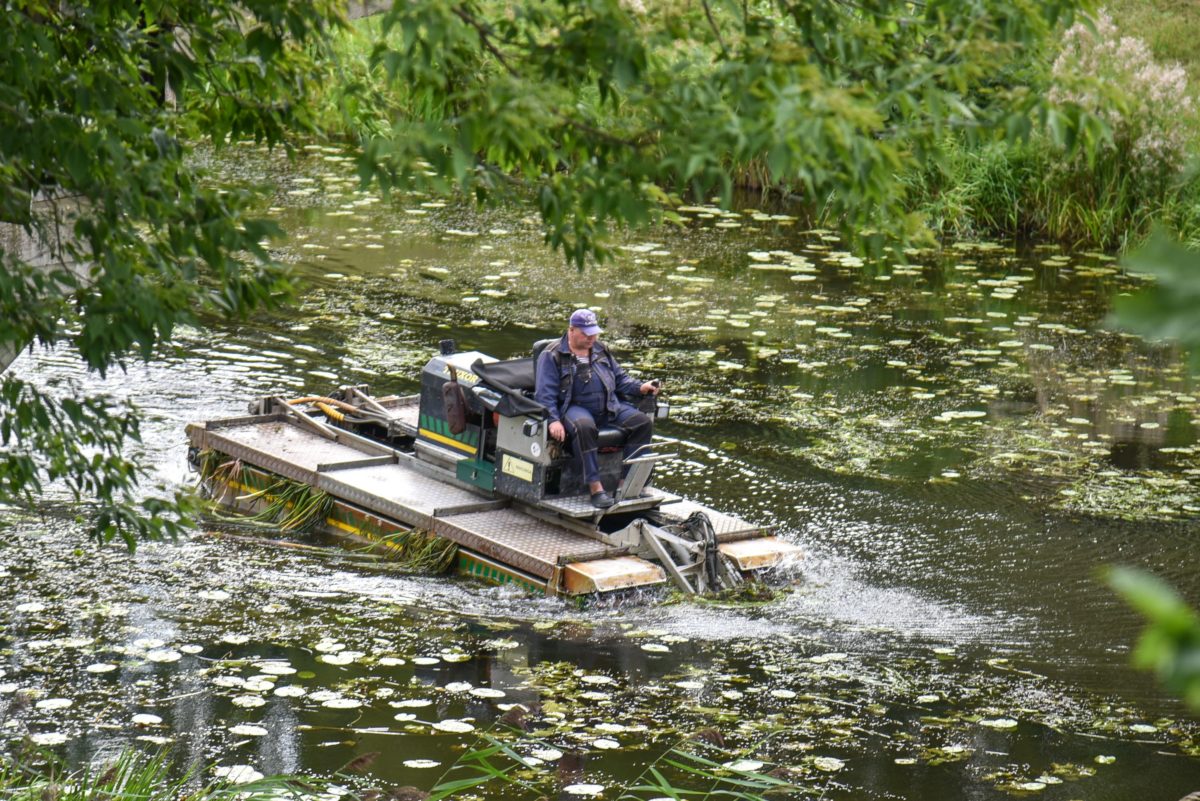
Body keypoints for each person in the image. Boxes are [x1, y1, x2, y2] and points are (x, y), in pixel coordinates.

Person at [534, 309, 659, 508]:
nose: (592, 337)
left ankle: (625, 485)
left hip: (608, 405)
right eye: (586, 333)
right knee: (584, 427)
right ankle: (595, 488)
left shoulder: (600, 349)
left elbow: (620, 378)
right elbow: (544, 393)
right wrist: (553, 420)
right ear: (571, 330)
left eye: (594, 332)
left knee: (642, 423)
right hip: (573, 407)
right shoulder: (552, 355)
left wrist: (640, 387)